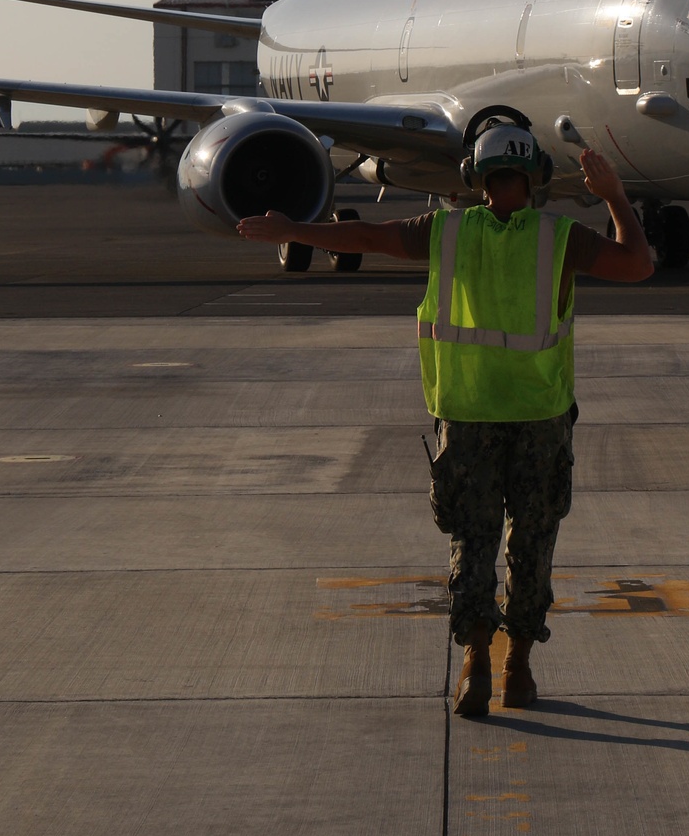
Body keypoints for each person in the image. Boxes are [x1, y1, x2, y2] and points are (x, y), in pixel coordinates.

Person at [237, 123, 653, 718]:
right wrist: (613, 194)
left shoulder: (445, 232)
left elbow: (367, 237)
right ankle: (519, 670)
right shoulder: (561, 237)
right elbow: (638, 264)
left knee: (473, 541)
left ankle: (476, 663)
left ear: (476, 180)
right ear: (535, 180)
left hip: (467, 414)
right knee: (531, 545)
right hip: (540, 417)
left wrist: (294, 231)